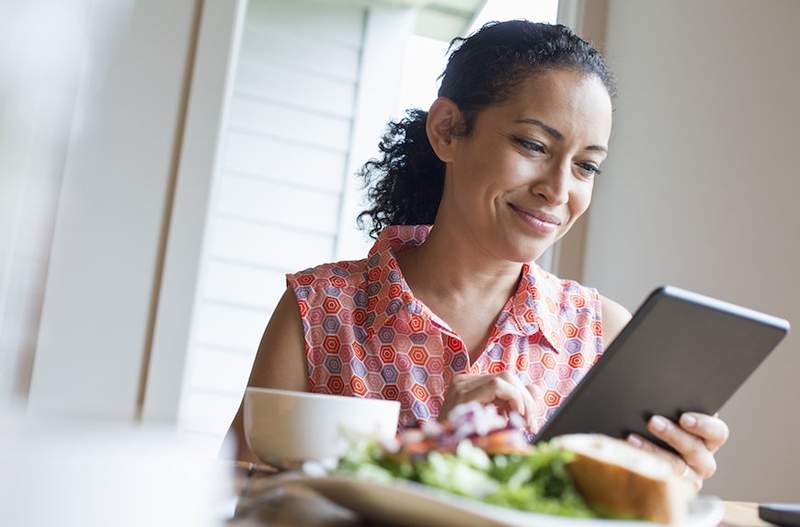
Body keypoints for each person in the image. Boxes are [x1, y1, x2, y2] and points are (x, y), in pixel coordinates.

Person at [225, 20, 728, 490]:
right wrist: (432, 454)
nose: (558, 189)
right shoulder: (319, 312)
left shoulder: (604, 338)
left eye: (586, 167)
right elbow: (234, 498)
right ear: (447, 130)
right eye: (533, 144)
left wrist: (663, 486)